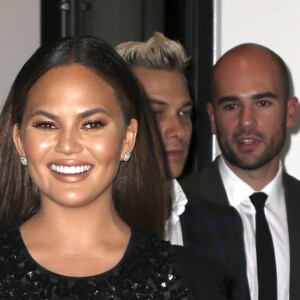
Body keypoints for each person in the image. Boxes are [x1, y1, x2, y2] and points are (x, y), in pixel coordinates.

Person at [0, 35, 238, 299]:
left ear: (128, 138)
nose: (68, 146)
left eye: (92, 124)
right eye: (47, 125)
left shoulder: (194, 280)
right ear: (19, 141)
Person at [116, 32, 250, 299]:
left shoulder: (222, 226)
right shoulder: (87, 224)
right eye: (156, 113)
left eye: (184, 113)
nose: (177, 129)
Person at [181, 43, 300, 300]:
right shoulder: (174, 210)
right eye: (231, 106)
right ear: (213, 118)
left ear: (291, 112)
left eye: (263, 103)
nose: (246, 121)